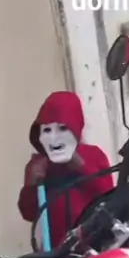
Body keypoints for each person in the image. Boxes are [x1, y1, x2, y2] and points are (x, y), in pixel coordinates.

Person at [18, 91, 114, 248]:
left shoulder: (94, 155)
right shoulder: (38, 164)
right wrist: (31, 185)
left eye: (62, 129)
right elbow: (28, 213)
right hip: (56, 250)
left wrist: (81, 166)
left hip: (94, 244)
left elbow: (109, 197)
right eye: (47, 130)